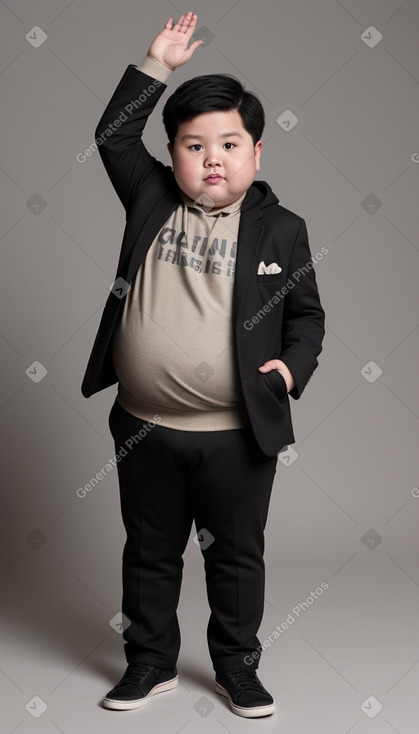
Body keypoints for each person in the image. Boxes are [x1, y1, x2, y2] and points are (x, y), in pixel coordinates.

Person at [81, 11, 325, 719]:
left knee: (235, 557)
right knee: (149, 552)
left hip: (236, 435)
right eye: (193, 145)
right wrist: (155, 64)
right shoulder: (151, 198)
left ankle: (236, 669)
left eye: (228, 143)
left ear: (256, 151)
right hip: (144, 426)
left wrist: (290, 370)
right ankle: (149, 662)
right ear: (172, 153)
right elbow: (111, 136)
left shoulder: (282, 229)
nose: (211, 158)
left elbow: (306, 316)